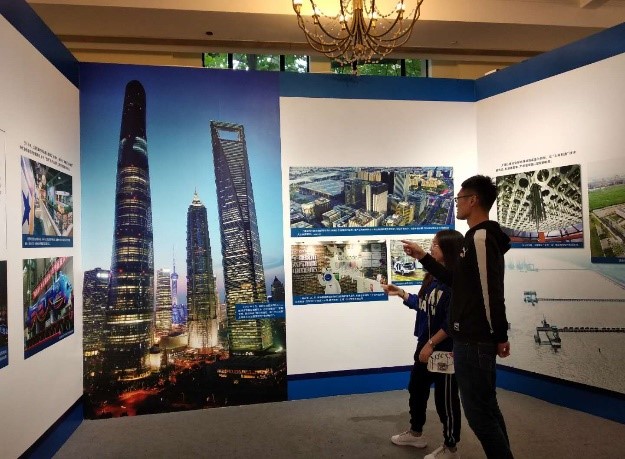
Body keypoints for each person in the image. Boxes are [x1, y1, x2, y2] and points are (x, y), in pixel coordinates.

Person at [401, 175, 514, 459]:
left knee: (480, 415)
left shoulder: (480, 238)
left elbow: (491, 293)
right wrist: (423, 257)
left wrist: (500, 335)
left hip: (475, 340)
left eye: (459, 198)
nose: (457, 204)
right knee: (487, 408)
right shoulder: (473, 239)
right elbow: (457, 282)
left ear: (473, 200)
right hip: (471, 339)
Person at [383, 229, 464, 459]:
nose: (431, 247)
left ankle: (451, 447)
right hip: (425, 344)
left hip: (445, 350)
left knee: (445, 400)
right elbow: (424, 305)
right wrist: (401, 293)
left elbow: (452, 322)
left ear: (448, 249)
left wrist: (431, 344)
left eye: (435, 244)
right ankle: (416, 433)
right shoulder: (432, 277)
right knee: (417, 389)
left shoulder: (456, 281)